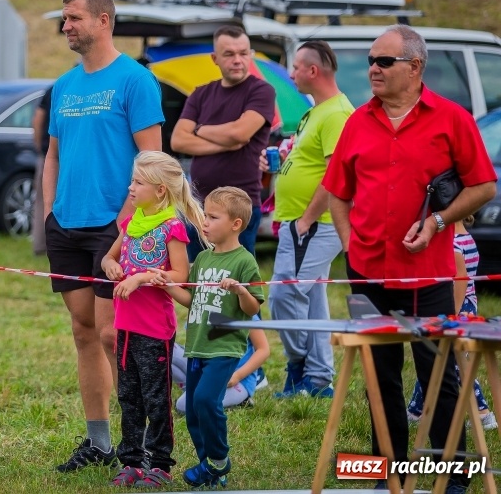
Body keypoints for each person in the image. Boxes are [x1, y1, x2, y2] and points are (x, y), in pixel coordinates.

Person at [322, 24, 496, 493]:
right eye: (371, 61)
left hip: (428, 273)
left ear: (415, 67)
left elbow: (483, 186)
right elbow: (338, 192)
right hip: (367, 274)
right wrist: (349, 241)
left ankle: (455, 474)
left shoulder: (453, 119)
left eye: (383, 61)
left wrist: (439, 222)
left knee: (438, 373)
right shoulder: (359, 120)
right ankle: (389, 473)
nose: (372, 69)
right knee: (379, 377)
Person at [43, 0, 164, 473]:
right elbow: (52, 154)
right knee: (83, 330)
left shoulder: (135, 80)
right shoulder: (64, 85)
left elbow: (154, 163)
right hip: (66, 226)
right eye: (64, 19)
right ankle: (99, 442)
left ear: (103, 21)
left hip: (115, 229)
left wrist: (130, 227)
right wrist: (51, 210)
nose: (66, 26)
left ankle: (148, 444)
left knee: (116, 335)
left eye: (74, 18)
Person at [99, 151, 202, 487]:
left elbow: (180, 274)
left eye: (138, 182)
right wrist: (111, 267)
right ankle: (131, 461)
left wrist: (141, 277)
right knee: (128, 397)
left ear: (160, 190)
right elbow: (108, 258)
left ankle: (160, 464)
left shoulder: (172, 228)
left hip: (155, 331)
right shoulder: (132, 223)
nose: (131, 187)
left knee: (156, 399)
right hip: (125, 328)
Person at [153, 186, 265, 489]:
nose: (204, 221)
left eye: (212, 217)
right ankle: (210, 467)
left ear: (235, 224)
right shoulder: (201, 259)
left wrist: (240, 290)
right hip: (197, 346)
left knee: (204, 400)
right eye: (205, 215)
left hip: (224, 347)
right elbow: (191, 300)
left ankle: (218, 459)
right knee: (192, 412)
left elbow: (253, 306)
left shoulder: (245, 262)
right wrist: (166, 286)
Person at [261, 41, 354, 398]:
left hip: (314, 224)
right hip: (299, 221)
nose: (292, 74)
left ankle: (297, 364)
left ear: (313, 71)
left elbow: (337, 173)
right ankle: (318, 379)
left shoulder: (336, 114)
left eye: (296, 67)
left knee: (284, 293)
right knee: (312, 299)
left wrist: (306, 220)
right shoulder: (315, 111)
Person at [170, 25, 276, 258]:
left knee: (236, 280)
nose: (237, 60)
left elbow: (240, 133)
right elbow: (178, 140)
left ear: (251, 54)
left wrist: (199, 129)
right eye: (229, 54)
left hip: (240, 205)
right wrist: (224, 143)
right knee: (198, 278)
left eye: (243, 53)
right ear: (215, 58)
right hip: (199, 205)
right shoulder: (201, 94)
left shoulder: (261, 91)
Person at [407, 216, 498, 430]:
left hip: (457, 310)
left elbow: (461, 280)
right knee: (436, 360)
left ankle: (483, 413)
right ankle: (415, 411)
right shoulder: (465, 235)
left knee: (453, 364)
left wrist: (452, 316)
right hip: (467, 306)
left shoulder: (452, 241)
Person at [174, 328, 269, 413]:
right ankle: (195, 390)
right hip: (207, 369)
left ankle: (240, 401)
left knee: (183, 406)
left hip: (237, 380)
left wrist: (237, 376)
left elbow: (263, 350)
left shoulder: (247, 312)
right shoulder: (200, 309)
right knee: (166, 348)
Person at [31, 85, 52, 256]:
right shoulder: (62, 88)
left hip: (47, 155)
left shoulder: (54, 89)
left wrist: (39, 147)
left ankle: (40, 245)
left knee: (42, 201)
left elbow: (38, 118)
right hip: (55, 155)